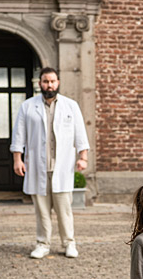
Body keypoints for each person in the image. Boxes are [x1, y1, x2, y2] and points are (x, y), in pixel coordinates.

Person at [10, 67, 90, 259]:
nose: (49, 85)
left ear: (58, 82)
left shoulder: (71, 106)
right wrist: (17, 159)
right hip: (38, 167)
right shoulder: (28, 106)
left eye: (52, 81)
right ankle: (42, 244)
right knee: (42, 211)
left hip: (62, 167)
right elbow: (19, 134)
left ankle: (69, 243)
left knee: (64, 210)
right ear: (40, 83)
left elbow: (80, 133)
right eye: (46, 81)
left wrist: (83, 157)